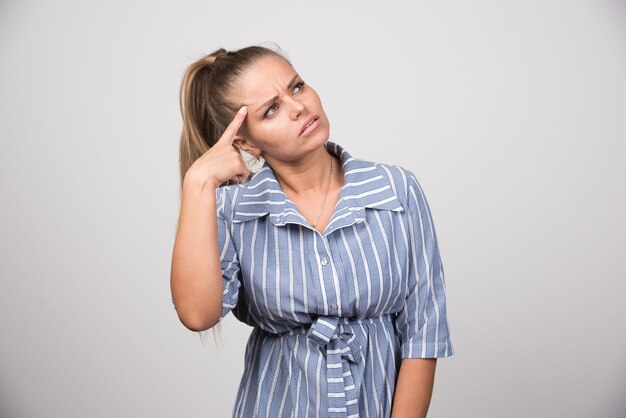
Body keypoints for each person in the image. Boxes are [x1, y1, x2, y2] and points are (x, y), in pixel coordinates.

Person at [170, 45, 454, 418]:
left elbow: (423, 332)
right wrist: (199, 182)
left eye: (297, 87)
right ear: (246, 142)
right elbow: (196, 314)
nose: (298, 107)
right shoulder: (233, 211)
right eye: (271, 109)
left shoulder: (395, 190)